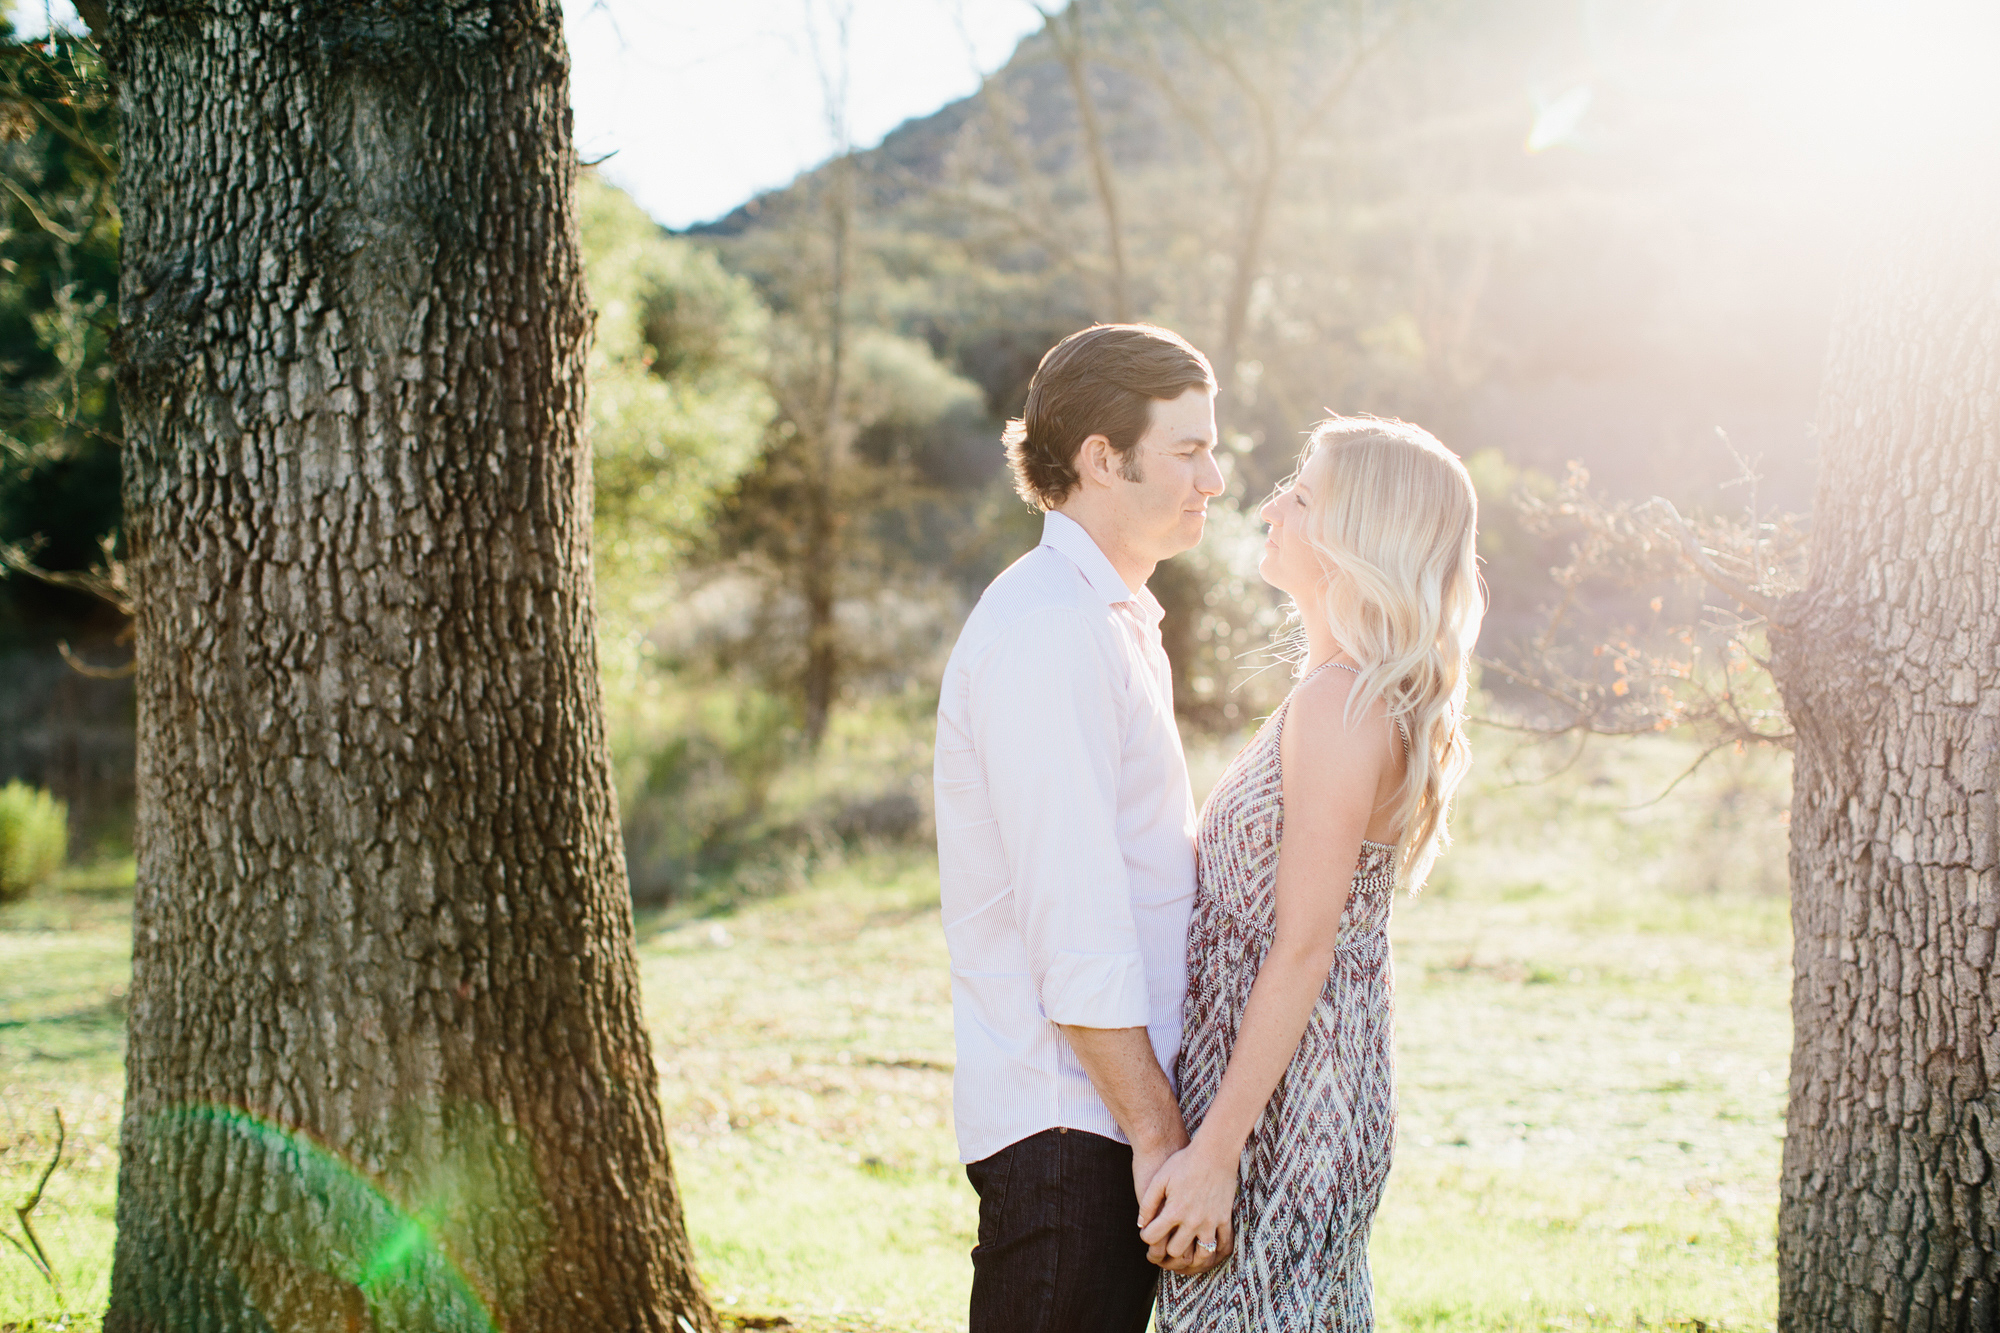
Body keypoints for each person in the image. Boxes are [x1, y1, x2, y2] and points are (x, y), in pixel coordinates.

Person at [1143, 416, 1483, 1330]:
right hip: (1283, 1086)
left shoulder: (1342, 705)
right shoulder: (1341, 693)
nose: (1268, 507)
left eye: (1300, 495)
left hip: (1287, 1105)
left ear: (1353, 538)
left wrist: (1217, 1151)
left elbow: (1303, 948)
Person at [933, 323, 1229, 1333]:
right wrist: (1155, 1134)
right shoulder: (1049, 627)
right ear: (1105, 458)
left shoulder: (1108, 618)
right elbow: (1073, 921)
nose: (1214, 478)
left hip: (1101, 1123)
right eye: (1188, 449)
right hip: (1072, 1132)